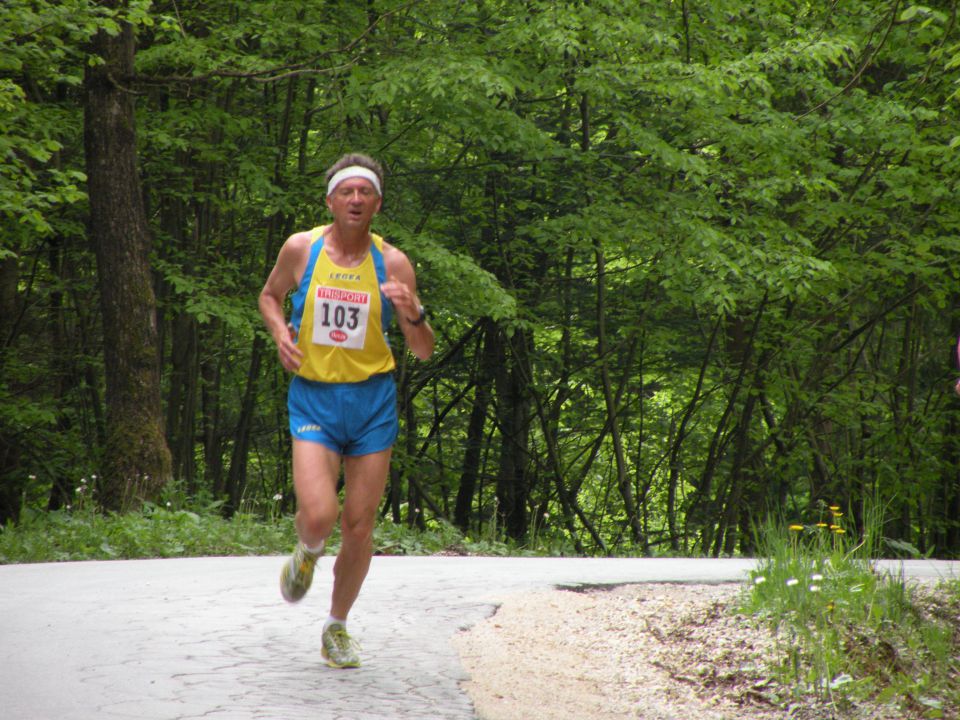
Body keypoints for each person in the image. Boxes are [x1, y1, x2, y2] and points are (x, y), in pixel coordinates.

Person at [258, 153, 434, 668]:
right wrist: (279, 334)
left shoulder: (393, 263)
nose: (356, 200)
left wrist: (413, 312)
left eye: (366, 192)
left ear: (378, 203)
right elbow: (269, 297)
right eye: (346, 191)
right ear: (330, 200)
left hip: (372, 400)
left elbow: (421, 348)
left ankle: (336, 626)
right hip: (314, 395)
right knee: (319, 515)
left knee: (359, 525)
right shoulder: (301, 249)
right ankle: (308, 552)